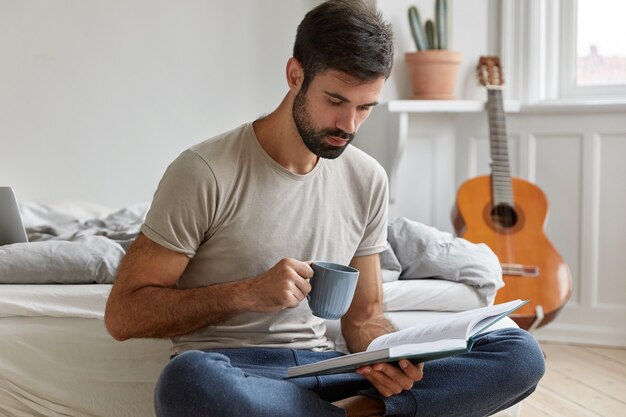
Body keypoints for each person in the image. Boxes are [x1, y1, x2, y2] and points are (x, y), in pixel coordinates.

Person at [104, 1, 545, 416]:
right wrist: (247, 293)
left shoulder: (366, 178)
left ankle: (362, 409)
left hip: (328, 370)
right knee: (187, 380)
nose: (349, 125)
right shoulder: (205, 171)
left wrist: (390, 359)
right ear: (295, 74)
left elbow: (364, 318)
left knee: (518, 351)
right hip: (235, 371)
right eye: (335, 101)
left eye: (365, 107)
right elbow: (124, 314)